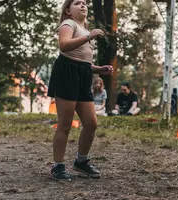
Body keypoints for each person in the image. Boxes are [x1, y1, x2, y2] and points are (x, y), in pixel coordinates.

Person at [47, 0, 113, 180]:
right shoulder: (68, 24)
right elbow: (64, 45)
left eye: (85, 3)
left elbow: (84, 61)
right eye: (77, 3)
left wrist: (98, 69)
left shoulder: (85, 30)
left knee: (91, 123)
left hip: (83, 74)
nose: (83, 5)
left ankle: (81, 161)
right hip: (66, 73)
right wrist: (89, 36)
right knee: (65, 124)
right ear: (68, 11)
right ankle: (58, 166)